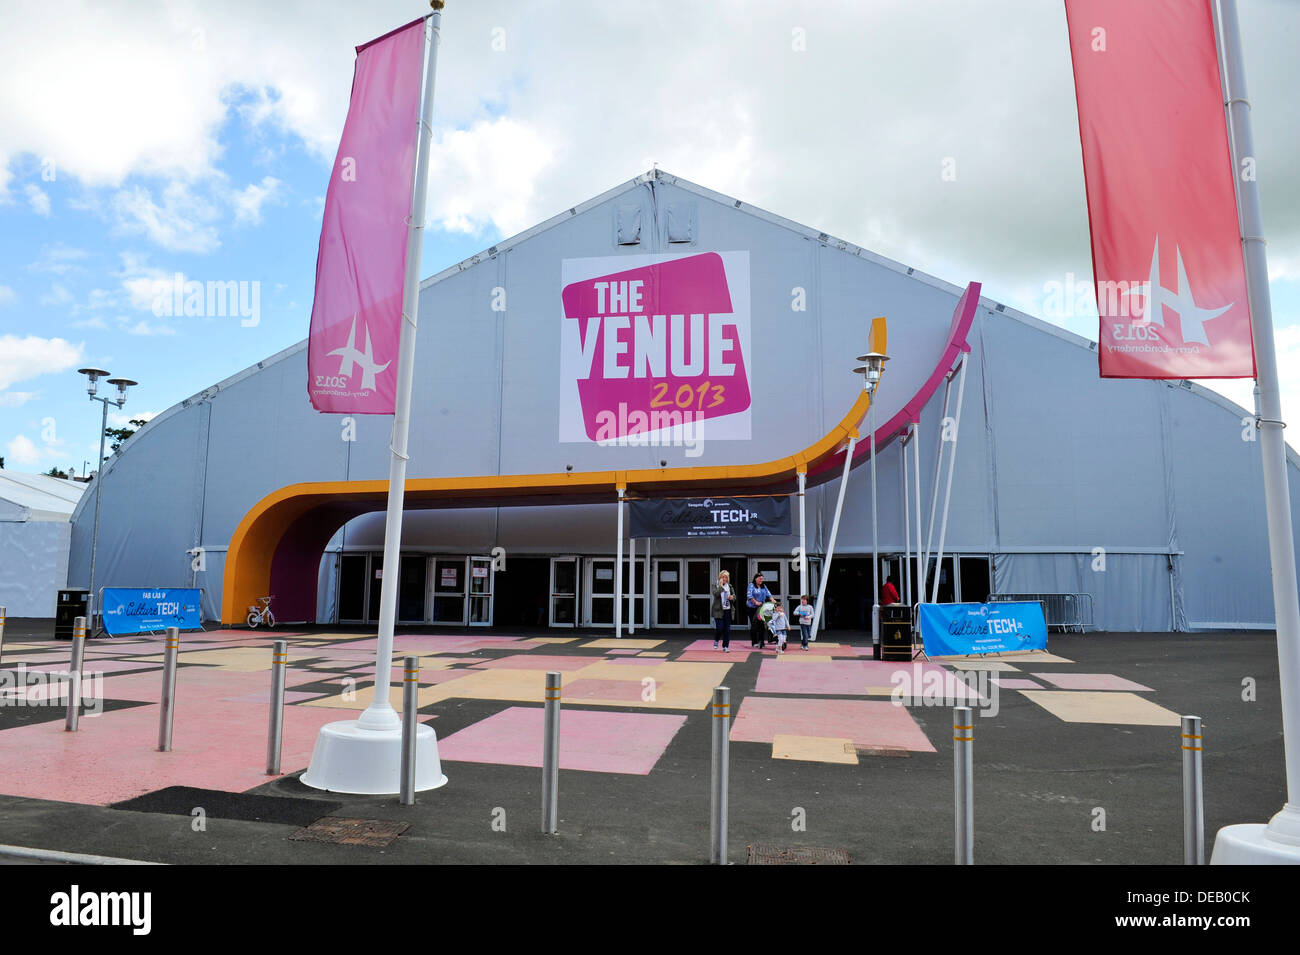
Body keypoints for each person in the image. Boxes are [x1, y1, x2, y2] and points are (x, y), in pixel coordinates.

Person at [747, 573, 773, 648]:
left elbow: (769, 595)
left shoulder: (763, 586)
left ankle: (761, 642)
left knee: (762, 625)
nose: (761, 580)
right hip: (752, 608)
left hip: (762, 608)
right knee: (754, 625)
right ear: (756, 578)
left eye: (762, 579)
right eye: (759, 578)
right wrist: (756, 602)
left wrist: (774, 601)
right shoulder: (751, 585)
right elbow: (749, 596)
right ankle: (754, 642)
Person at [711, 570, 734, 652]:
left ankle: (725, 646)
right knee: (720, 628)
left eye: (726, 577)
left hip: (727, 610)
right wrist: (721, 586)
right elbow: (715, 594)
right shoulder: (715, 585)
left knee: (727, 629)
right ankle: (716, 639)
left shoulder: (730, 586)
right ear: (719, 577)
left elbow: (734, 596)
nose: (724, 578)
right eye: (722, 577)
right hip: (718, 610)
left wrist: (732, 597)